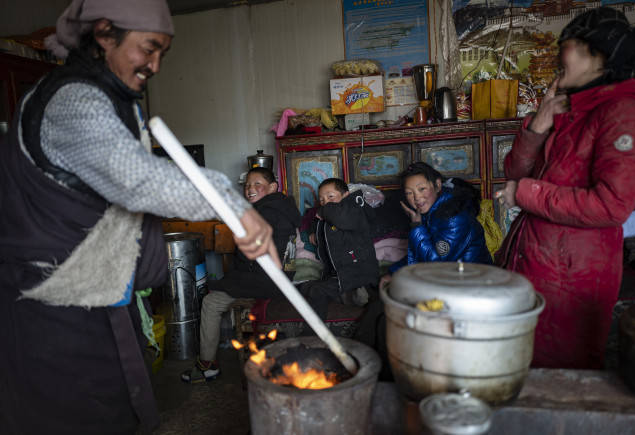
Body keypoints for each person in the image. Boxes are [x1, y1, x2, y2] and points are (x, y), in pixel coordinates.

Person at [0, 1, 280, 433]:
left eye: (162, 54)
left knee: (119, 414)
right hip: (54, 319)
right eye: (148, 48)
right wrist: (235, 204)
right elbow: (136, 178)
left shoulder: (112, 97)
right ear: (105, 32)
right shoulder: (72, 100)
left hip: (100, 305)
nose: (154, 65)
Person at [494, 7, 635, 369]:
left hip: (571, 277)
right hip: (536, 262)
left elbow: (612, 206)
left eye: (568, 46)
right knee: (523, 365)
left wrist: (524, 193)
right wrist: (538, 127)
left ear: (599, 56)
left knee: (559, 377)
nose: (559, 55)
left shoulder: (621, 111)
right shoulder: (569, 109)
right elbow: (513, 169)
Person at [181, 167, 301, 383]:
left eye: (257, 184)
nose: (250, 189)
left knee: (210, 300)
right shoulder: (281, 207)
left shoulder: (267, 212)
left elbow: (252, 260)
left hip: (267, 281)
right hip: (277, 279)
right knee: (217, 289)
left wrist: (227, 281)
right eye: (247, 185)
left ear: (273, 187)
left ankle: (208, 365)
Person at [385, 162, 492, 279]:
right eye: (409, 193)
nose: (416, 198)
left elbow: (435, 264)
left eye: (422, 189)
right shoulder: (429, 212)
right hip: (452, 280)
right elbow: (417, 255)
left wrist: (416, 226)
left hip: (472, 284)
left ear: (437, 185)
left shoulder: (454, 217)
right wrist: (393, 272)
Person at [298, 178, 379, 326]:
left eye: (330, 196)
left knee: (317, 290)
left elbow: (340, 218)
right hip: (338, 273)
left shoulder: (354, 209)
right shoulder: (328, 214)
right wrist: (313, 231)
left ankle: (315, 332)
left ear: (346, 195)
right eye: (321, 200)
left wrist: (323, 209)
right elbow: (317, 221)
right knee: (306, 287)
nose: (325, 202)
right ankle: (348, 295)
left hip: (358, 272)